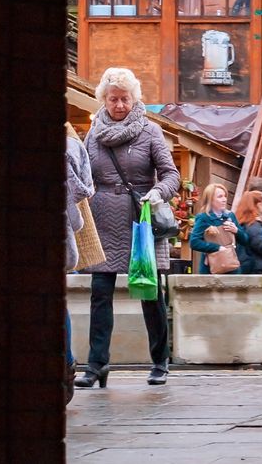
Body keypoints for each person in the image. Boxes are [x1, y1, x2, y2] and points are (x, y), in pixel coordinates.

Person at [75, 67, 180, 389]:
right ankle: (96, 365)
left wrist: (158, 192)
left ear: (135, 99)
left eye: (124, 99)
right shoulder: (92, 134)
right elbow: (82, 172)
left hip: (141, 222)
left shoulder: (150, 131)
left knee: (150, 295)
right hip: (103, 222)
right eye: (113, 99)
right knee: (100, 295)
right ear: (103, 100)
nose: (119, 105)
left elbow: (171, 174)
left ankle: (160, 361)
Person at [65, 122, 95, 404]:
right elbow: (76, 215)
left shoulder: (68, 146)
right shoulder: (78, 143)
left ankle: (68, 364)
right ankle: (69, 364)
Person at [190, 183, 242, 272]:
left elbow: (245, 240)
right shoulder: (204, 218)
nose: (224, 199)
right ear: (211, 200)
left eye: (225, 196)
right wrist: (217, 248)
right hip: (211, 269)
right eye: (220, 197)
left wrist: (237, 231)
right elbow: (194, 242)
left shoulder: (230, 216)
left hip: (232, 267)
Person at [234, 189, 262, 274]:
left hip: (248, 267)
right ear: (258, 205)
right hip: (255, 269)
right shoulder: (253, 225)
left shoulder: (244, 223)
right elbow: (261, 245)